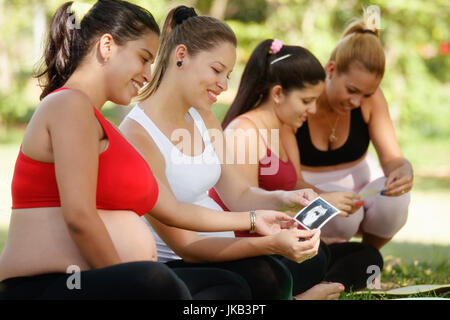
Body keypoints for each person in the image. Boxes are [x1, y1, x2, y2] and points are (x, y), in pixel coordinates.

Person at [0, 1, 290, 300]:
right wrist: (124, 283)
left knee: (231, 286)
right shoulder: (69, 105)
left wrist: (256, 220)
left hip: (112, 278)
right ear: (107, 46)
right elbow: (80, 218)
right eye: (143, 58)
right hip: (46, 285)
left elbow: (175, 211)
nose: (149, 74)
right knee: (158, 282)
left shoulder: (100, 123)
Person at [119, 6, 326, 300]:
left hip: (224, 254)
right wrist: (270, 243)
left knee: (296, 266)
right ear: (180, 56)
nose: (224, 85)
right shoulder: (137, 134)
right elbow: (187, 246)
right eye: (217, 70)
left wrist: (283, 198)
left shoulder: (204, 116)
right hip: (180, 265)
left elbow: (238, 195)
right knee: (258, 282)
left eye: (228, 75)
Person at [210, 38, 383, 294]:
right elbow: (247, 210)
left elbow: (296, 184)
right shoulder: (244, 133)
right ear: (278, 93)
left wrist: (325, 200)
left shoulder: (286, 129)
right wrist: (320, 205)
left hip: (286, 243)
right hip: (253, 251)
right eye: (306, 101)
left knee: (369, 257)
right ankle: (313, 290)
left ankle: (323, 288)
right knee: (313, 259)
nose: (312, 110)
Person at [282, 14, 413, 250]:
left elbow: (393, 160)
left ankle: (366, 256)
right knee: (343, 215)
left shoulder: (370, 101)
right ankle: (324, 256)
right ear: (331, 69)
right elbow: (291, 180)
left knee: (396, 201)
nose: (356, 101)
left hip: (362, 185)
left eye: (366, 94)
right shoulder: (301, 99)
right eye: (351, 90)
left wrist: (403, 170)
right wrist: (326, 195)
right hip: (307, 187)